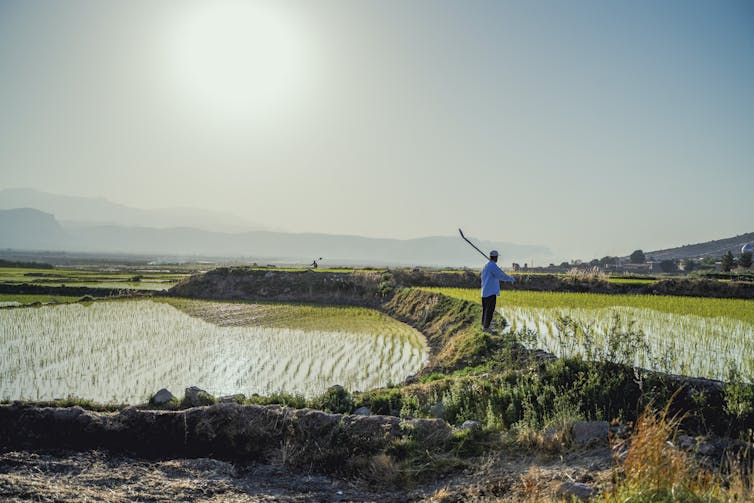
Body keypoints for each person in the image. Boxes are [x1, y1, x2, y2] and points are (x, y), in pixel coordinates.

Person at [481, 250, 515, 331]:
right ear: (495, 257)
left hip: (484, 292)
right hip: (490, 293)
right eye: (497, 257)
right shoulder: (492, 266)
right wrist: (511, 279)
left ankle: (484, 326)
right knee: (489, 310)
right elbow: (501, 276)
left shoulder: (486, 266)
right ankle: (486, 328)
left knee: (485, 310)